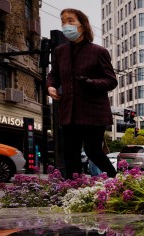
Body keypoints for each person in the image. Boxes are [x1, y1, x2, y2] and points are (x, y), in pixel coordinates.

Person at [46, 8, 118, 179]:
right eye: (63, 21)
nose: (65, 25)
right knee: (70, 154)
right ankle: (74, 188)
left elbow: (111, 80)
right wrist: (50, 87)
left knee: (93, 151)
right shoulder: (60, 52)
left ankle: (117, 179)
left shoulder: (98, 51)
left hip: (94, 112)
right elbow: (53, 75)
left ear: (83, 26)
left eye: (70, 21)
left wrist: (91, 83)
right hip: (69, 111)